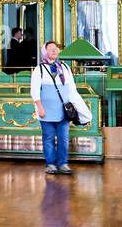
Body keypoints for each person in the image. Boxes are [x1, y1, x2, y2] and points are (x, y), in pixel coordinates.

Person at [30, 40, 92, 175]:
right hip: (46, 111)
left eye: (56, 48)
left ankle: (63, 163)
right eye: (50, 49)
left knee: (63, 137)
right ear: (44, 52)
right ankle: (50, 164)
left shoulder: (64, 67)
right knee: (48, 138)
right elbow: (34, 91)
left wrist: (78, 107)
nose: (54, 51)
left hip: (63, 111)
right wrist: (39, 107)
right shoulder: (39, 69)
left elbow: (72, 89)